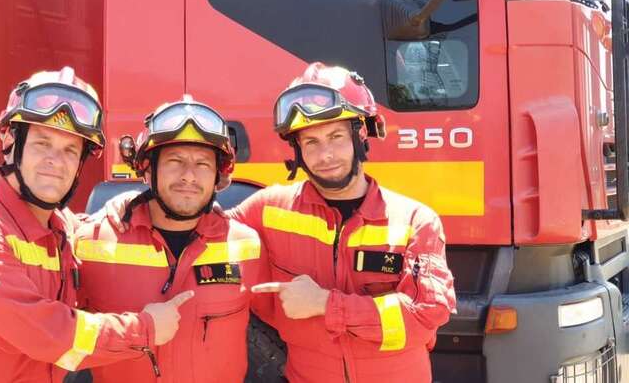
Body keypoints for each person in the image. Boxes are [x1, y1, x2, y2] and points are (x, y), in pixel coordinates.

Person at [105, 63, 456, 383]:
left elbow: (427, 314)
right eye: (311, 142)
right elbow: (198, 223)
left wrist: (324, 305)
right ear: (297, 150)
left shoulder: (414, 220)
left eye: (336, 137)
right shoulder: (269, 208)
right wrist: (134, 204)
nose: (326, 155)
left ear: (360, 136)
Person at [0, 67, 187, 383]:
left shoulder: (61, 230)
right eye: (42, 143)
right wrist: (146, 328)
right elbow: (45, 334)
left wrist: (127, 204)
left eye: (70, 150)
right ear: (9, 140)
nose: (55, 161)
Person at [74, 96, 268, 383]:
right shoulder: (90, 241)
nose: (189, 176)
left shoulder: (247, 245)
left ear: (219, 176)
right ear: (148, 171)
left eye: (202, 163)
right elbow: (56, 339)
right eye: (175, 161)